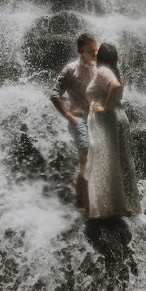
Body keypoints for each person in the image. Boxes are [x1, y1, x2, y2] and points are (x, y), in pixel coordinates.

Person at [84, 43, 141, 219]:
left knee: (106, 160)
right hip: (117, 117)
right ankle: (123, 204)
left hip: (107, 120)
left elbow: (114, 86)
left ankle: (108, 207)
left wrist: (104, 107)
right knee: (118, 160)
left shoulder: (103, 71)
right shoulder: (111, 70)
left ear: (100, 56)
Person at [50, 33, 98, 211]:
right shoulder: (70, 69)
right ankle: (81, 204)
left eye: (97, 51)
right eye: (91, 51)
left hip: (95, 121)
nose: (95, 54)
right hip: (78, 121)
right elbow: (54, 95)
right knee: (87, 157)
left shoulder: (98, 68)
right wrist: (69, 116)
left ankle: (87, 196)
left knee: (93, 159)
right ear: (80, 51)